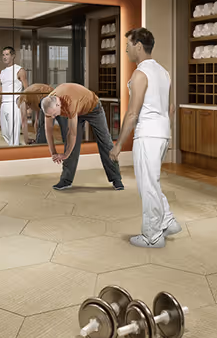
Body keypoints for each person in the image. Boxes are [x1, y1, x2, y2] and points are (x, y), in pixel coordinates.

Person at [110, 28, 181, 248]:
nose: (126, 50)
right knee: (153, 181)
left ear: (138, 46)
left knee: (147, 185)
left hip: (148, 134)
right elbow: (170, 109)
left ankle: (152, 236)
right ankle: (168, 220)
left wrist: (119, 145)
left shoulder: (141, 74)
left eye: (128, 45)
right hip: (161, 133)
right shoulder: (163, 72)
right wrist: (166, 132)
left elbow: (132, 113)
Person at [41, 83, 123, 191]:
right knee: (70, 145)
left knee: (105, 141)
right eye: (50, 115)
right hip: (77, 110)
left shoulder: (69, 102)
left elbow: (72, 133)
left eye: (54, 115)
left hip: (93, 108)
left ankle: (116, 179)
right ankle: (65, 180)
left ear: (58, 105)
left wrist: (65, 155)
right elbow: (48, 130)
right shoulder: (49, 103)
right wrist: (53, 153)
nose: (53, 117)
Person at [0, 47, 28, 146]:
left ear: (13, 56)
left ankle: (15, 150)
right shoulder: (2, 72)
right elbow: (0, 91)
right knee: (5, 133)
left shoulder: (19, 70)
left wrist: (27, 106)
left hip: (14, 105)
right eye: (3, 55)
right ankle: (15, 146)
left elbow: (27, 89)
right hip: (4, 105)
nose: (4, 57)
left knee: (13, 132)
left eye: (7, 54)